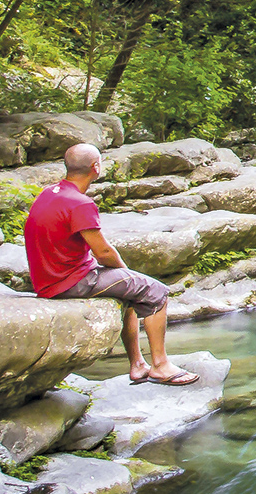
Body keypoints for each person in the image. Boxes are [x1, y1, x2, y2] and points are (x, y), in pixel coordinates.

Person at [21, 143, 198, 386]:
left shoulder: (49, 192)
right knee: (156, 291)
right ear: (95, 167)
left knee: (129, 292)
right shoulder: (79, 203)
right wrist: (125, 271)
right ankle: (160, 365)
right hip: (70, 280)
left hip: (48, 279)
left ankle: (137, 365)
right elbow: (103, 252)